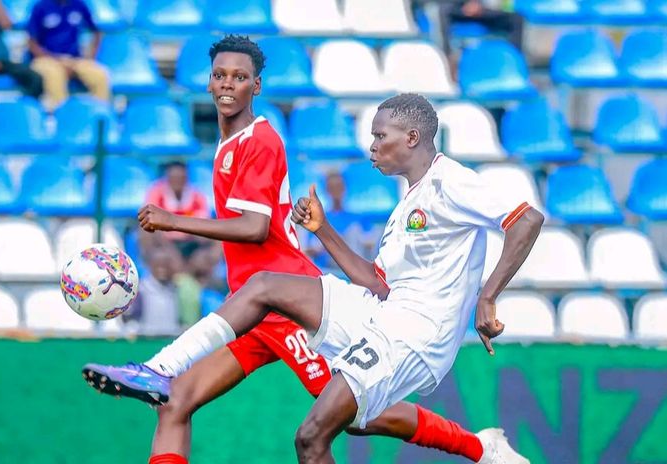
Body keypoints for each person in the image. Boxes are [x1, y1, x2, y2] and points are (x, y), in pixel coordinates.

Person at [83, 36, 528, 464]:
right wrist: (324, 228)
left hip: (284, 303)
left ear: (256, 85)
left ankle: (477, 447)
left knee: (344, 418)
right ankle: (158, 373)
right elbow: (378, 282)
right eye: (219, 75)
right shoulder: (402, 202)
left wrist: (173, 221)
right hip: (254, 306)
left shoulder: (260, 140)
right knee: (175, 402)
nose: (226, 84)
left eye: (238, 77)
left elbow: (256, 228)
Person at [26, 0, 110, 108]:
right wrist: (58, 61)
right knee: (55, 75)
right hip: (46, 60)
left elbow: (96, 32)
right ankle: (61, 116)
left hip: (74, 59)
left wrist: (90, 56)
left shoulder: (79, 4)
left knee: (100, 75)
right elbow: (31, 43)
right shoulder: (40, 6)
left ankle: (99, 115)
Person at [140, 161, 213, 272]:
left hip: (191, 242)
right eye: (174, 178)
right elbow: (149, 219)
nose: (177, 181)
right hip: (163, 242)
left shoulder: (197, 196)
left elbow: (203, 223)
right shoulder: (156, 193)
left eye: (180, 178)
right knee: (145, 231)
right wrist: (172, 252)